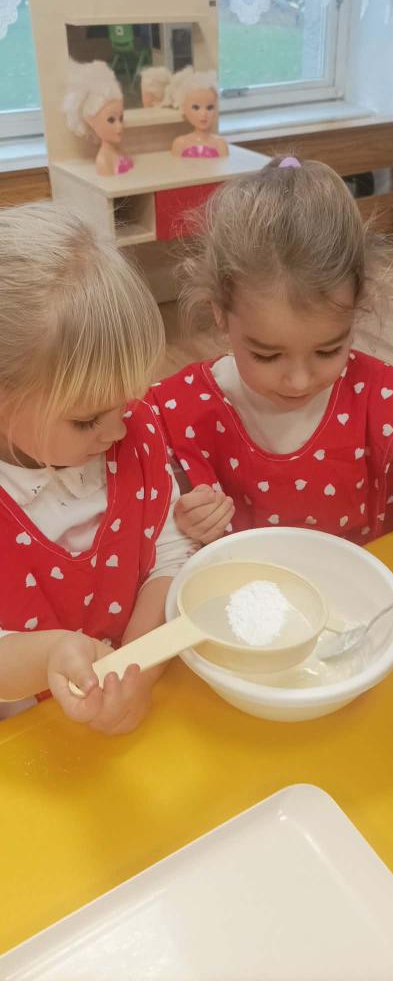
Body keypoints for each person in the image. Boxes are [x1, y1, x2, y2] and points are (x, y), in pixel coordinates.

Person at [153, 157, 393, 595]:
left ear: (358, 308)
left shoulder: (376, 394)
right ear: (219, 312)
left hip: (365, 598)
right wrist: (185, 523)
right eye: (267, 355)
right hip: (252, 600)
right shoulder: (181, 409)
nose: (299, 381)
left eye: (328, 350)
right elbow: (156, 529)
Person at [0, 202, 195, 730]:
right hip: (31, 735)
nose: (117, 432)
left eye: (127, 403)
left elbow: (170, 557)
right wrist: (49, 656)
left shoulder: (132, 434)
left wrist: (134, 670)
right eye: (87, 420)